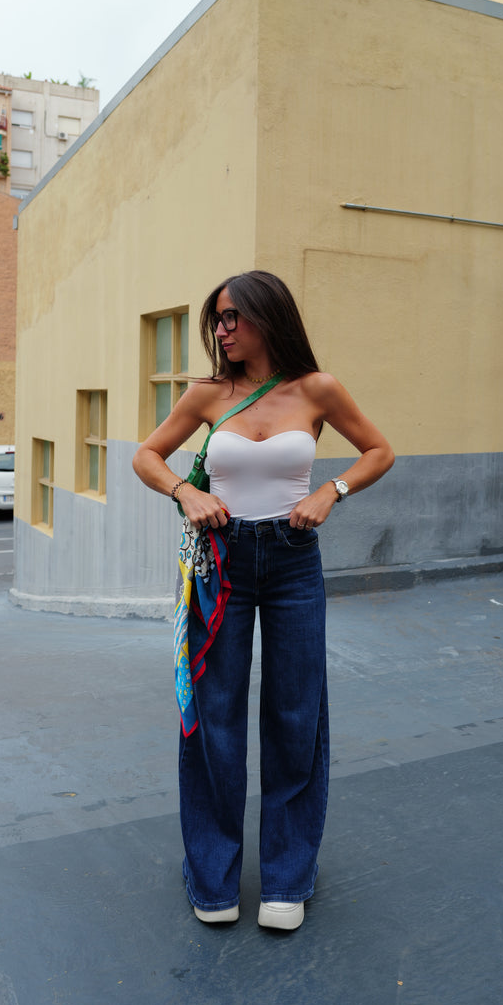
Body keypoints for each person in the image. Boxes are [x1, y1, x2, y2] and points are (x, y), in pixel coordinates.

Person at [132, 270, 394, 930]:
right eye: (216, 320)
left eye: (231, 317)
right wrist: (184, 492)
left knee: (296, 714)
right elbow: (148, 455)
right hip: (220, 561)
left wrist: (329, 491)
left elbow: (379, 450)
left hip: (293, 561)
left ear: (266, 316)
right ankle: (213, 878)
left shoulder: (317, 388)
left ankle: (287, 877)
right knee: (213, 715)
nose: (221, 331)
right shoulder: (207, 393)